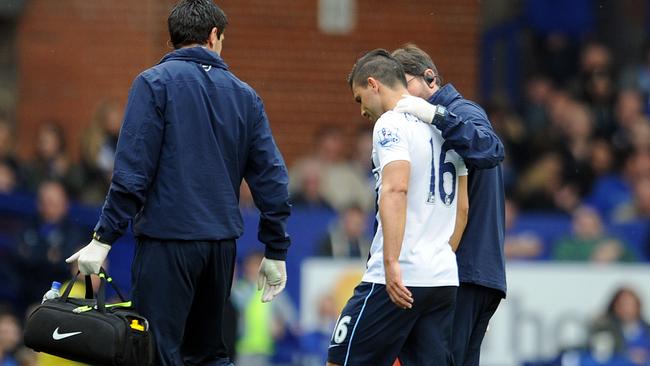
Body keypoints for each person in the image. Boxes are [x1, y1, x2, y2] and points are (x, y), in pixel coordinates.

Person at [65, 1, 292, 365]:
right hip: (220, 248)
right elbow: (272, 179)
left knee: (155, 352)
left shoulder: (152, 83)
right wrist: (276, 248)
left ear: (172, 40)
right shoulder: (245, 95)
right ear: (215, 36)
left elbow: (132, 172)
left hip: (167, 242)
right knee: (209, 355)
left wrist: (103, 237)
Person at [327, 49, 469, 366]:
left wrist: (392, 262)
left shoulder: (390, 124)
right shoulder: (445, 124)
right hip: (442, 278)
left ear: (374, 84)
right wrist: (441, 257)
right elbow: (462, 208)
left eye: (359, 98)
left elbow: (396, 187)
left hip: (397, 276)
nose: (362, 110)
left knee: (341, 360)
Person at [391, 43, 506, 366]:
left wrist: (435, 114)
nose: (402, 98)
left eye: (406, 85)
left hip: (463, 269)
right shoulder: (425, 122)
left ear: (430, 78)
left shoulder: (462, 111)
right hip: (471, 270)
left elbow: (490, 148)